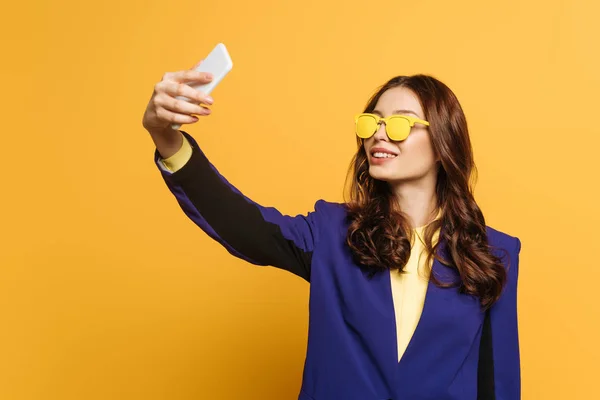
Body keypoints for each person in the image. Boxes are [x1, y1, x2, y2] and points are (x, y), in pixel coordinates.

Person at [142, 68, 521, 400]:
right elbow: (245, 226)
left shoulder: (495, 254)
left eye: (401, 123)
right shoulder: (333, 232)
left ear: (444, 143)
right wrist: (168, 140)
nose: (379, 135)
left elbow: (497, 384)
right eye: (371, 122)